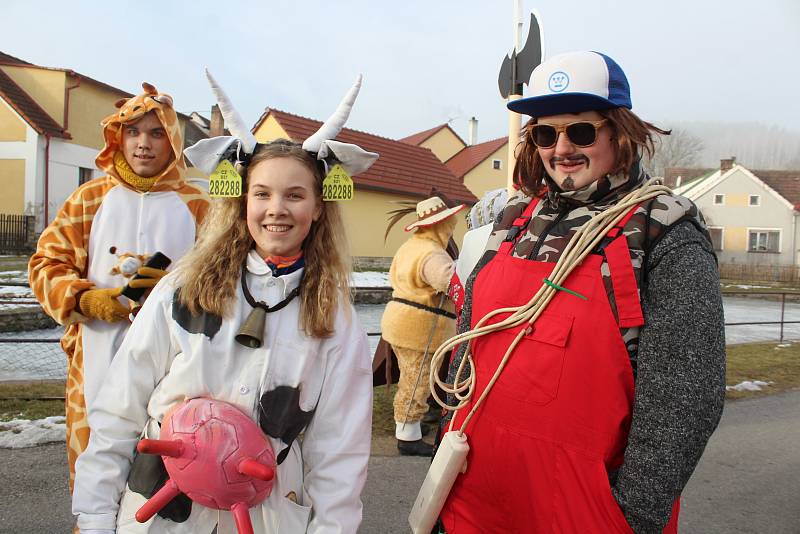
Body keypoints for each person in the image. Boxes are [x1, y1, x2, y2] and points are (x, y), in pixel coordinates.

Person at [432, 51, 725, 533]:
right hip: (474, 501)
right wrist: (443, 458)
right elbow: (468, 348)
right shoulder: (512, 223)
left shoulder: (664, 232)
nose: (560, 148)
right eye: (546, 134)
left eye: (581, 132)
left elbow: (686, 397)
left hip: (583, 513)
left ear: (618, 131)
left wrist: (631, 514)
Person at [71, 72, 377, 534]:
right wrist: (94, 514)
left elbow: (339, 449)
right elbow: (121, 405)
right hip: (160, 513)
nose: (277, 208)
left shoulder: (335, 320)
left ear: (318, 206)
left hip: (269, 516)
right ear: (242, 201)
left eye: (295, 195)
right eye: (262, 193)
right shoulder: (183, 290)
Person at [28, 83, 209, 489]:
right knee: (95, 479)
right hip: (94, 360)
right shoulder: (88, 199)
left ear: (173, 142)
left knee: (169, 482)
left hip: (175, 368)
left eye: (156, 133)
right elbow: (45, 265)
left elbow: (223, 281)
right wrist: (88, 299)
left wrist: (175, 292)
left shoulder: (199, 206)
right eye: (133, 132)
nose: (143, 144)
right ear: (118, 138)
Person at [381, 196, 464, 456]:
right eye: (448, 222)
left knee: (410, 376)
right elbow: (450, 283)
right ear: (439, 225)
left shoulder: (411, 246)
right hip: (418, 327)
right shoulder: (431, 253)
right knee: (416, 380)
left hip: (400, 321)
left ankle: (411, 426)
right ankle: (407, 437)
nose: (451, 226)